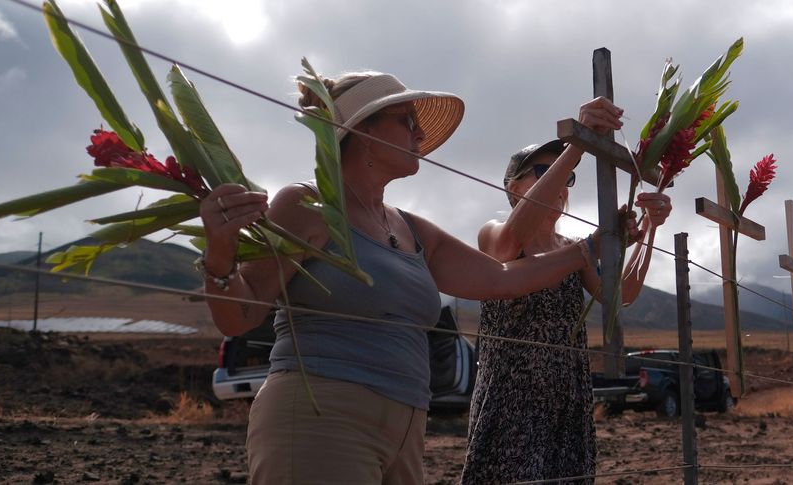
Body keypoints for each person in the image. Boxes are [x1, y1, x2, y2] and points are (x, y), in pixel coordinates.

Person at [197, 71, 641, 484]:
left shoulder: (410, 228)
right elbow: (240, 314)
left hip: (407, 425)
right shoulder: (306, 205)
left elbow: (502, 278)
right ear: (364, 130)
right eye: (407, 120)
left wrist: (589, 248)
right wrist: (219, 252)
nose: (421, 134)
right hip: (323, 413)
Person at [461, 97, 673, 484]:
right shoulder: (494, 233)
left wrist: (650, 227)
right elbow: (510, 244)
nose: (560, 183)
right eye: (543, 172)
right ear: (512, 187)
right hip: (512, 402)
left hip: (568, 400)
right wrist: (577, 146)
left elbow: (619, 295)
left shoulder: (573, 248)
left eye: (565, 175)